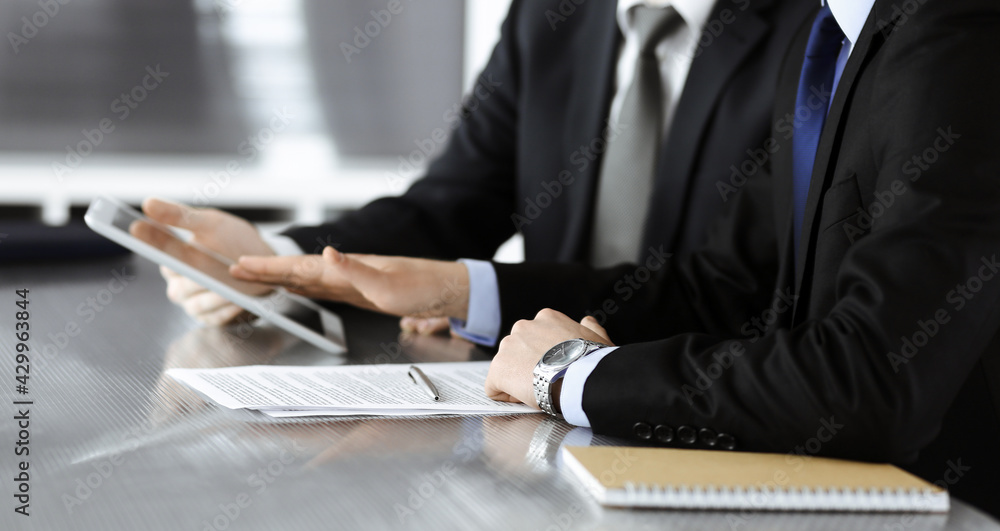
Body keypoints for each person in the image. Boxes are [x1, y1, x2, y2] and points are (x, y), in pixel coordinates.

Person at [220, 0, 1000, 516]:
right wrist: (469, 289)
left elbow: (872, 380)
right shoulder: (832, 30)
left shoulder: (960, 37)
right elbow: (730, 284)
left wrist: (570, 372)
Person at [145, 0, 813, 331]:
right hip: (537, 409)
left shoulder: (816, 31)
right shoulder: (552, 16)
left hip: (709, 416)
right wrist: (274, 259)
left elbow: (742, 288)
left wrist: (474, 297)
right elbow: (453, 205)